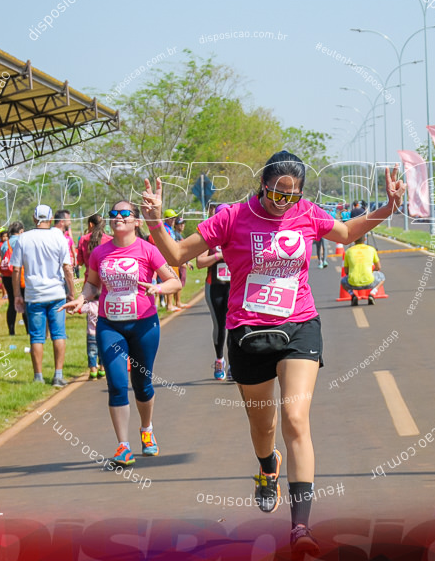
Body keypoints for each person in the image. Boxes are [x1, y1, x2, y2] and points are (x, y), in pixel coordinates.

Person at [139, 150, 405, 556]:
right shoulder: (231, 216)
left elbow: (347, 233)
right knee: (264, 429)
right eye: (277, 194)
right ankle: (267, 467)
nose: (285, 203)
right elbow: (177, 256)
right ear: (262, 185)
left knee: (295, 418)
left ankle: (301, 528)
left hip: (299, 324)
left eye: (293, 196)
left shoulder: (307, 213)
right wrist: (156, 221)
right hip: (248, 332)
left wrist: (387, 207)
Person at [62, 201, 181, 467]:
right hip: (110, 325)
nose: (118, 217)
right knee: (116, 384)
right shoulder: (100, 252)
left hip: (144, 325)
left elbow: (175, 281)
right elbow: (92, 285)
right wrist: (81, 299)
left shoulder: (148, 250)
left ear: (136, 221)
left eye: (125, 214)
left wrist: (157, 289)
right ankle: (123, 446)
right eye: (114, 214)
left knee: (142, 384)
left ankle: (147, 430)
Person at [11, 205, 74, 386]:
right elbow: (67, 268)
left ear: (33, 218)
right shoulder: (59, 237)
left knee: (37, 337)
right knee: (58, 334)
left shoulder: (24, 238)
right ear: (50, 218)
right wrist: (72, 292)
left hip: (34, 295)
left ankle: (38, 377)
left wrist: (17, 294)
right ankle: (58, 375)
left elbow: (16, 269)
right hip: (56, 293)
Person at [196, 202, 233, 381]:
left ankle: (235, 362)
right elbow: (200, 262)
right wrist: (219, 256)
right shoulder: (209, 235)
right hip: (215, 286)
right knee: (220, 325)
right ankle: (219, 360)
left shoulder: (238, 233)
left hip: (236, 286)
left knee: (237, 324)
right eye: (221, 215)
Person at [76, 213, 112, 380]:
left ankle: (93, 367)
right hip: (107, 286)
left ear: (90, 224)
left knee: (91, 327)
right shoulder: (109, 239)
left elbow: (81, 262)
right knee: (106, 326)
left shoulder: (83, 240)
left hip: (90, 286)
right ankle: (104, 365)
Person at [0, 222, 28, 337]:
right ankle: (28, 330)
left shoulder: (4, 244)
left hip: (6, 276)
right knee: (24, 302)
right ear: (21, 231)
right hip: (20, 275)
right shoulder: (23, 241)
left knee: (12, 303)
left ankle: (11, 331)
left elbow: (3, 260)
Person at [341, 237, 386, 306]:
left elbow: (346, 271)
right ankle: (372, 293)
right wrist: (372, 272)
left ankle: (353, 295)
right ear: (365, 239)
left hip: (353, 283)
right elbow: (378, 267)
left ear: (353, 240)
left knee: (343, 281)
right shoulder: (371, 249)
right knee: (382, 277)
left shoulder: (348, 251)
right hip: (370, 282)